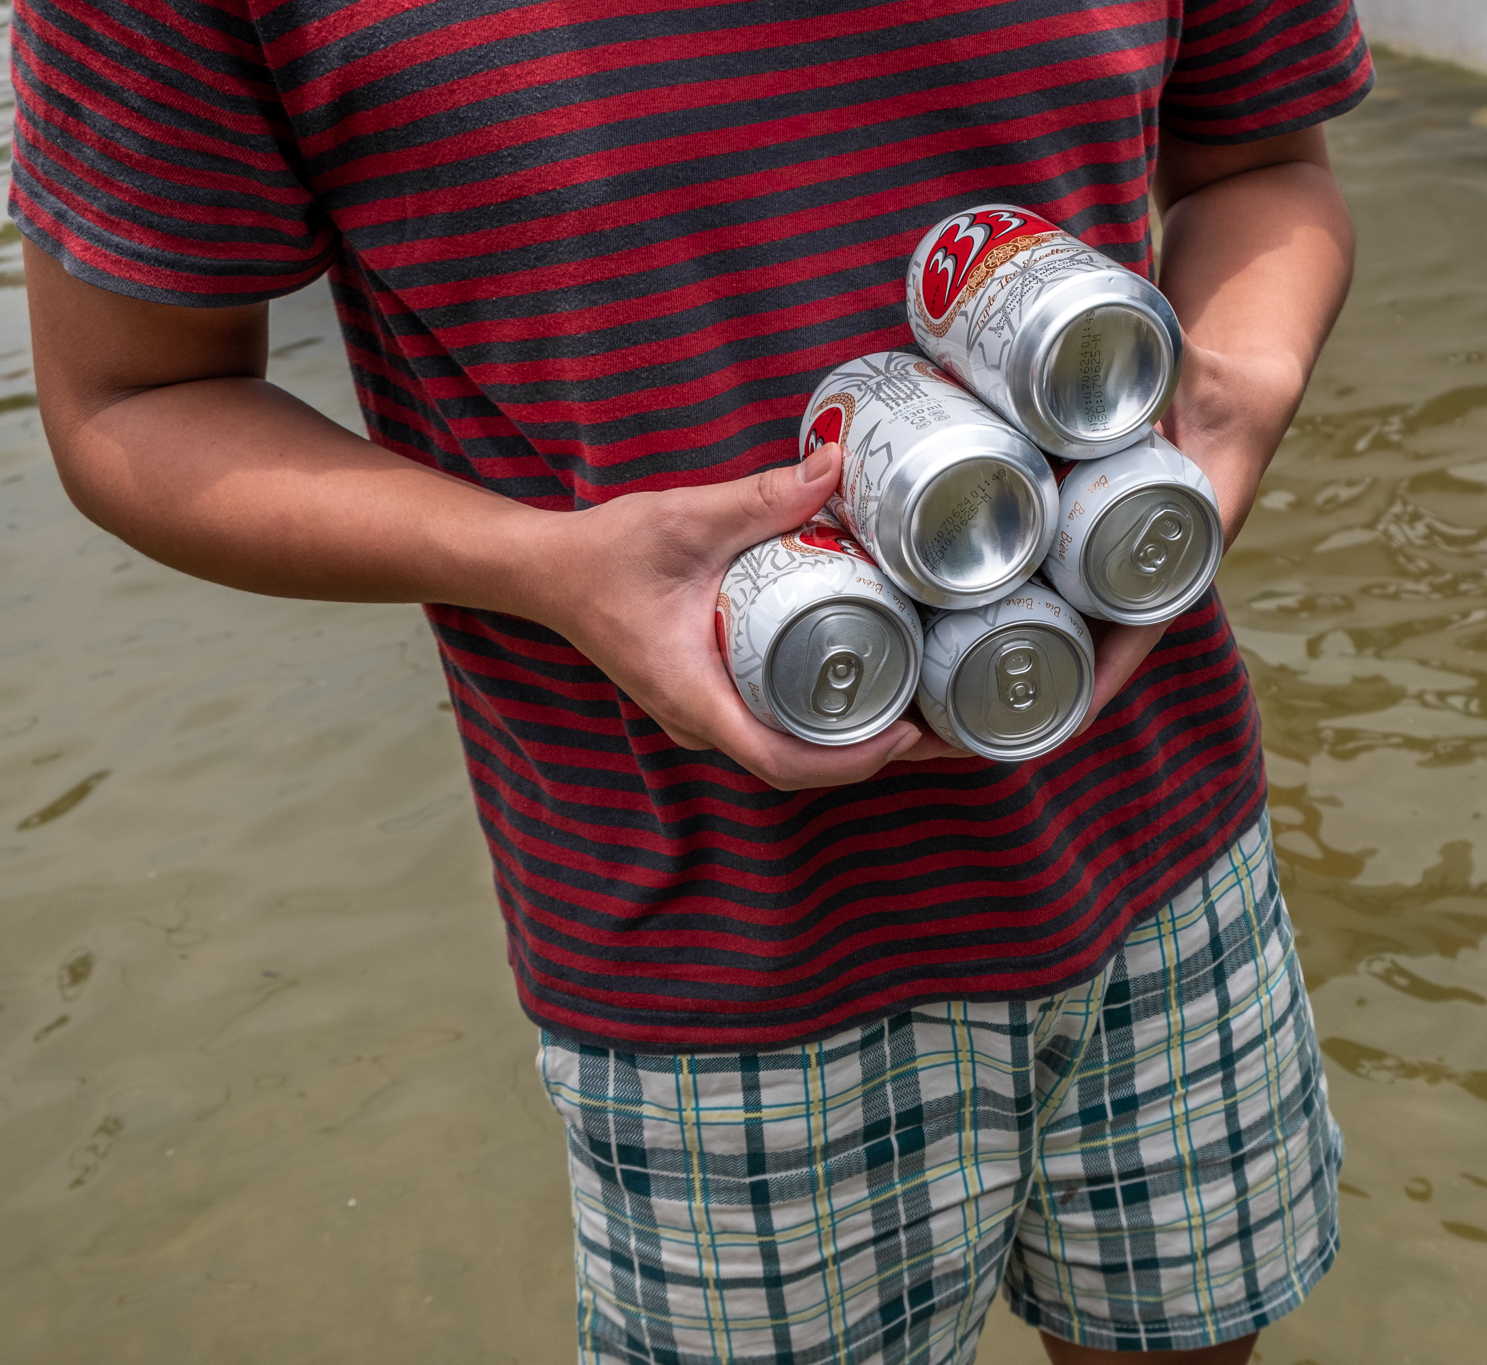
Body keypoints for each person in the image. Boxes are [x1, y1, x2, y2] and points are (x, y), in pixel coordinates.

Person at [14, 0, 1371, 1360]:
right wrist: (544, 564)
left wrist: (1230, 394)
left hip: (1165, 854)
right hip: (719, 973)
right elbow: (129, 401)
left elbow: (1259, 167)